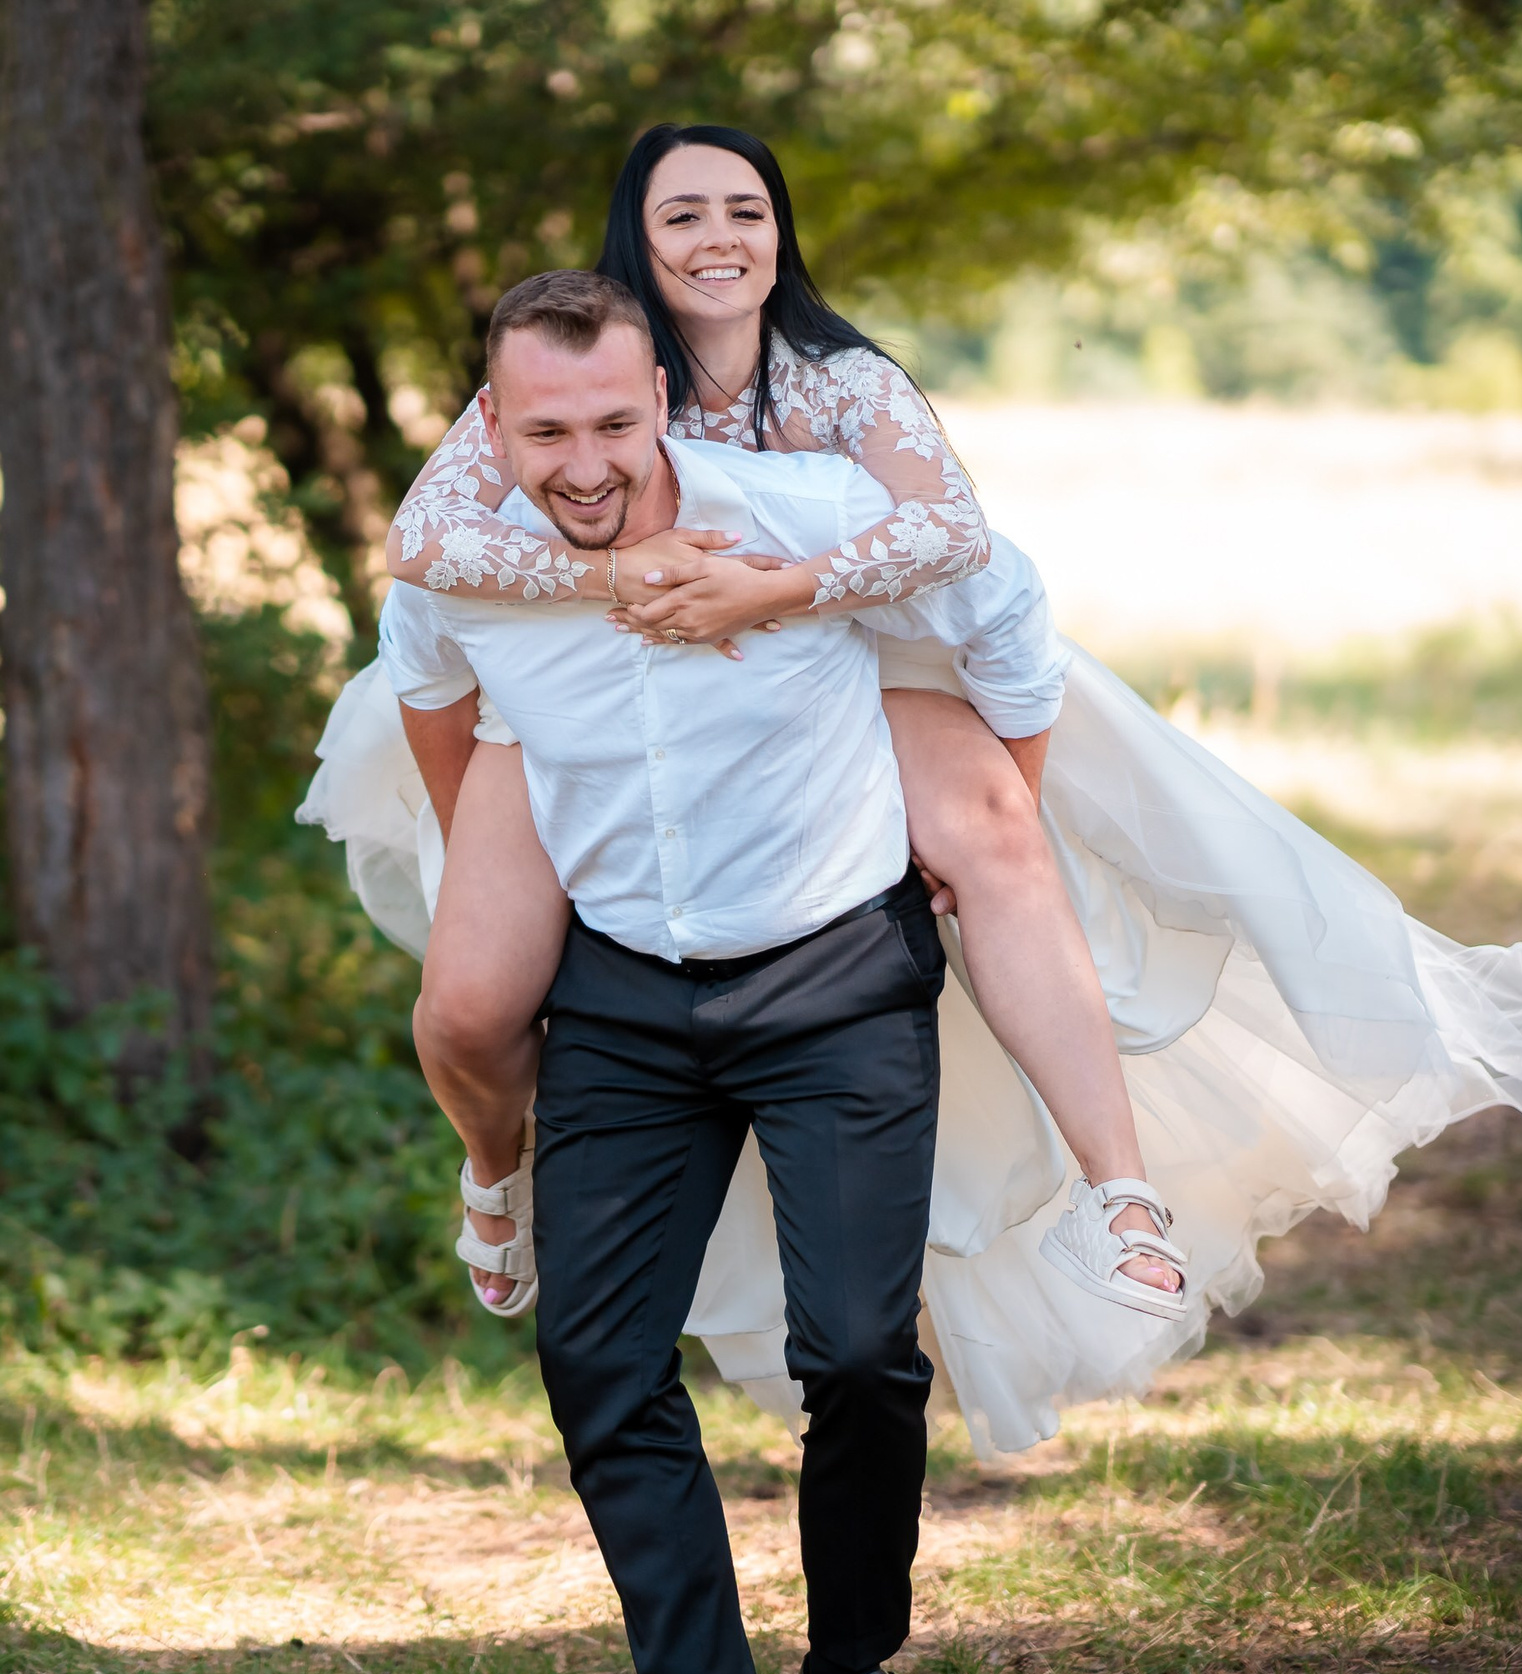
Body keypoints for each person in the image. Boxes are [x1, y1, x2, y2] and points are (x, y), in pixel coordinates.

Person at [382, 122, 1187, 1324]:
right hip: (590, 676)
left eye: (744, 211)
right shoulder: (582, 365)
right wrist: (628, 575)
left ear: (778, 231)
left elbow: (956, 538)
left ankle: (1119, 1193)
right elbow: (424, 543)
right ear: (636, 241)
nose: (720, 238)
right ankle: (498, 1179)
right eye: (683, 215)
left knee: (993, 828)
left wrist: (766, 591)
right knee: (469, 1001)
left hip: (827, 661)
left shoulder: (840, 380)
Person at [371, 265, 1021, 1674]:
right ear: (494, 424)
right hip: (622, 995)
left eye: (614, 420)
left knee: (855, 1353)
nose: (586, 464)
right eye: (546, 435)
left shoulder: (806, 514)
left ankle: (851, 1662)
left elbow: (1001, 602)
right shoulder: (465, 571)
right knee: (596, 1352)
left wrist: (992, 830)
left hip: (838, 977)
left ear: (660, 394)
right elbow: (436, 717)